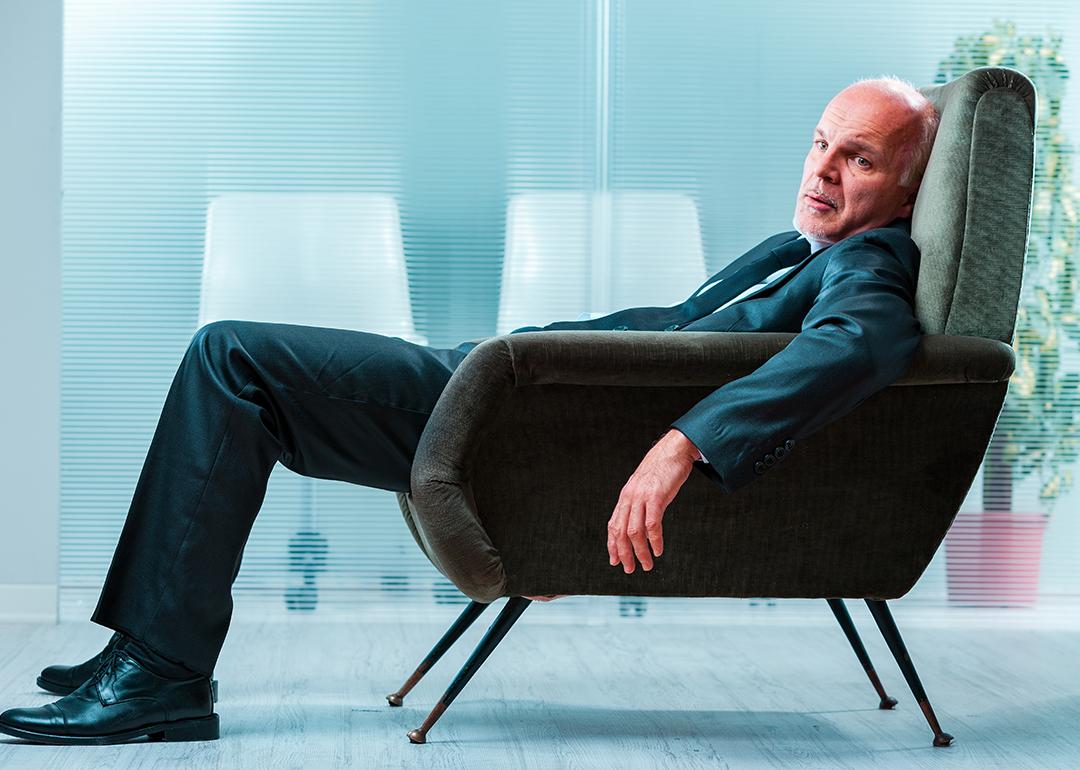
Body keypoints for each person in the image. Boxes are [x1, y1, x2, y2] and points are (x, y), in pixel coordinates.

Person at [0, 75, 939, 745]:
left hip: (519, 423)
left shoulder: (870, 267)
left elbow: (859, 347)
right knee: (245, 389)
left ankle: (158, 673)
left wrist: (681, 445)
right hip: (509, 392)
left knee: (230, 358)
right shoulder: (807, 247)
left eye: (858, 159)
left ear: (907, 188)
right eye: (822, 141)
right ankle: (150, 653)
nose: (822, 170)